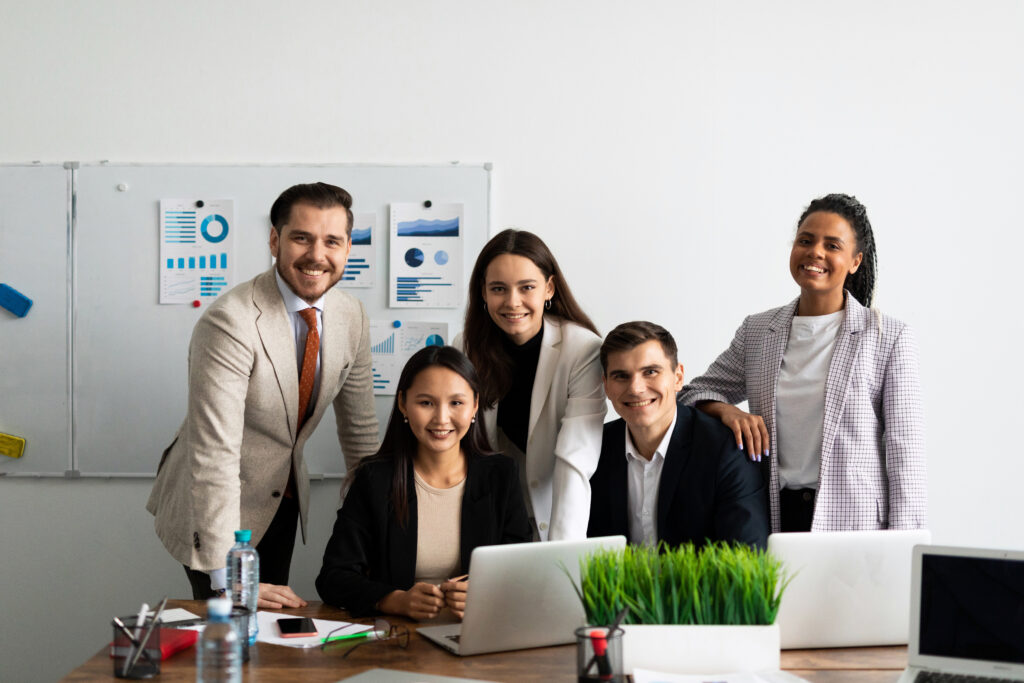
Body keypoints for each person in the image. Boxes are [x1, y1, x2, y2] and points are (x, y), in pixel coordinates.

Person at [147, 182, 379, 607]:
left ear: (348, 248)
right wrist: (226, 578)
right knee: (233, 619)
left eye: (332, 241)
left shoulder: (353, 316)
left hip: (281, 495)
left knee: (272, 623)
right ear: (275, 241)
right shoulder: (230, 321)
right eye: (301, 238)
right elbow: (214, 452)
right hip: (214, 502)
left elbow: (361, 433)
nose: (317, 255)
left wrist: (381, 528)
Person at [680, 193, 926, 533]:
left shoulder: (888, 336)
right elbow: (690, 394)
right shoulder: (758, 331)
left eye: (832, 245)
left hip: (856, 525)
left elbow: (905, 452)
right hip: (774, 517)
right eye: (806, 241)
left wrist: (905, 544)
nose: (815, 252)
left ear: (855, 261)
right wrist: (728, 412)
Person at [316, 345, 531, 619]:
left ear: (475, 405)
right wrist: (395, 600)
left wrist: (485, 593)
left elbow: (523, 571)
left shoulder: (501, 475)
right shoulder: (374, 479)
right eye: (426, 403)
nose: (441, 418)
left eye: (456, 403)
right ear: (403, 403)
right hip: (400, 633)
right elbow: (333, 577)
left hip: (474, 632)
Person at [456, 229, 606, 541]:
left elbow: (576, 458)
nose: (513, 302)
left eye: (527, 287)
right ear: (483, 292)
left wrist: (561, 553)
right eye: (499, 288)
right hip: (488, 514)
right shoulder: (465, 347)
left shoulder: (583, 349)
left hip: (555, 513)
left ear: (549, 288)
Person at [587, 321, 769, 548]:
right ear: (605, 385)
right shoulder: (593, 449)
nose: (635, 388)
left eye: (650, 372)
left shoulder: (725, 450)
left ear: (678, 377)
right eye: (621, 376)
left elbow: (746, 555)